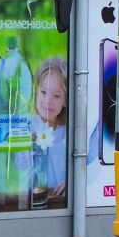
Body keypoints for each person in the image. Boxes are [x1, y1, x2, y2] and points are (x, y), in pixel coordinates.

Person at [31, 57, 69, 204]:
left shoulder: (70, 132)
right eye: (43, 92)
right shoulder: (27, 128)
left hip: (60, 202)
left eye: (57, 96)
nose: (48, 101)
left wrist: (71, 182)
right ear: (36, 91)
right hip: (31, 202)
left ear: (66, 100)